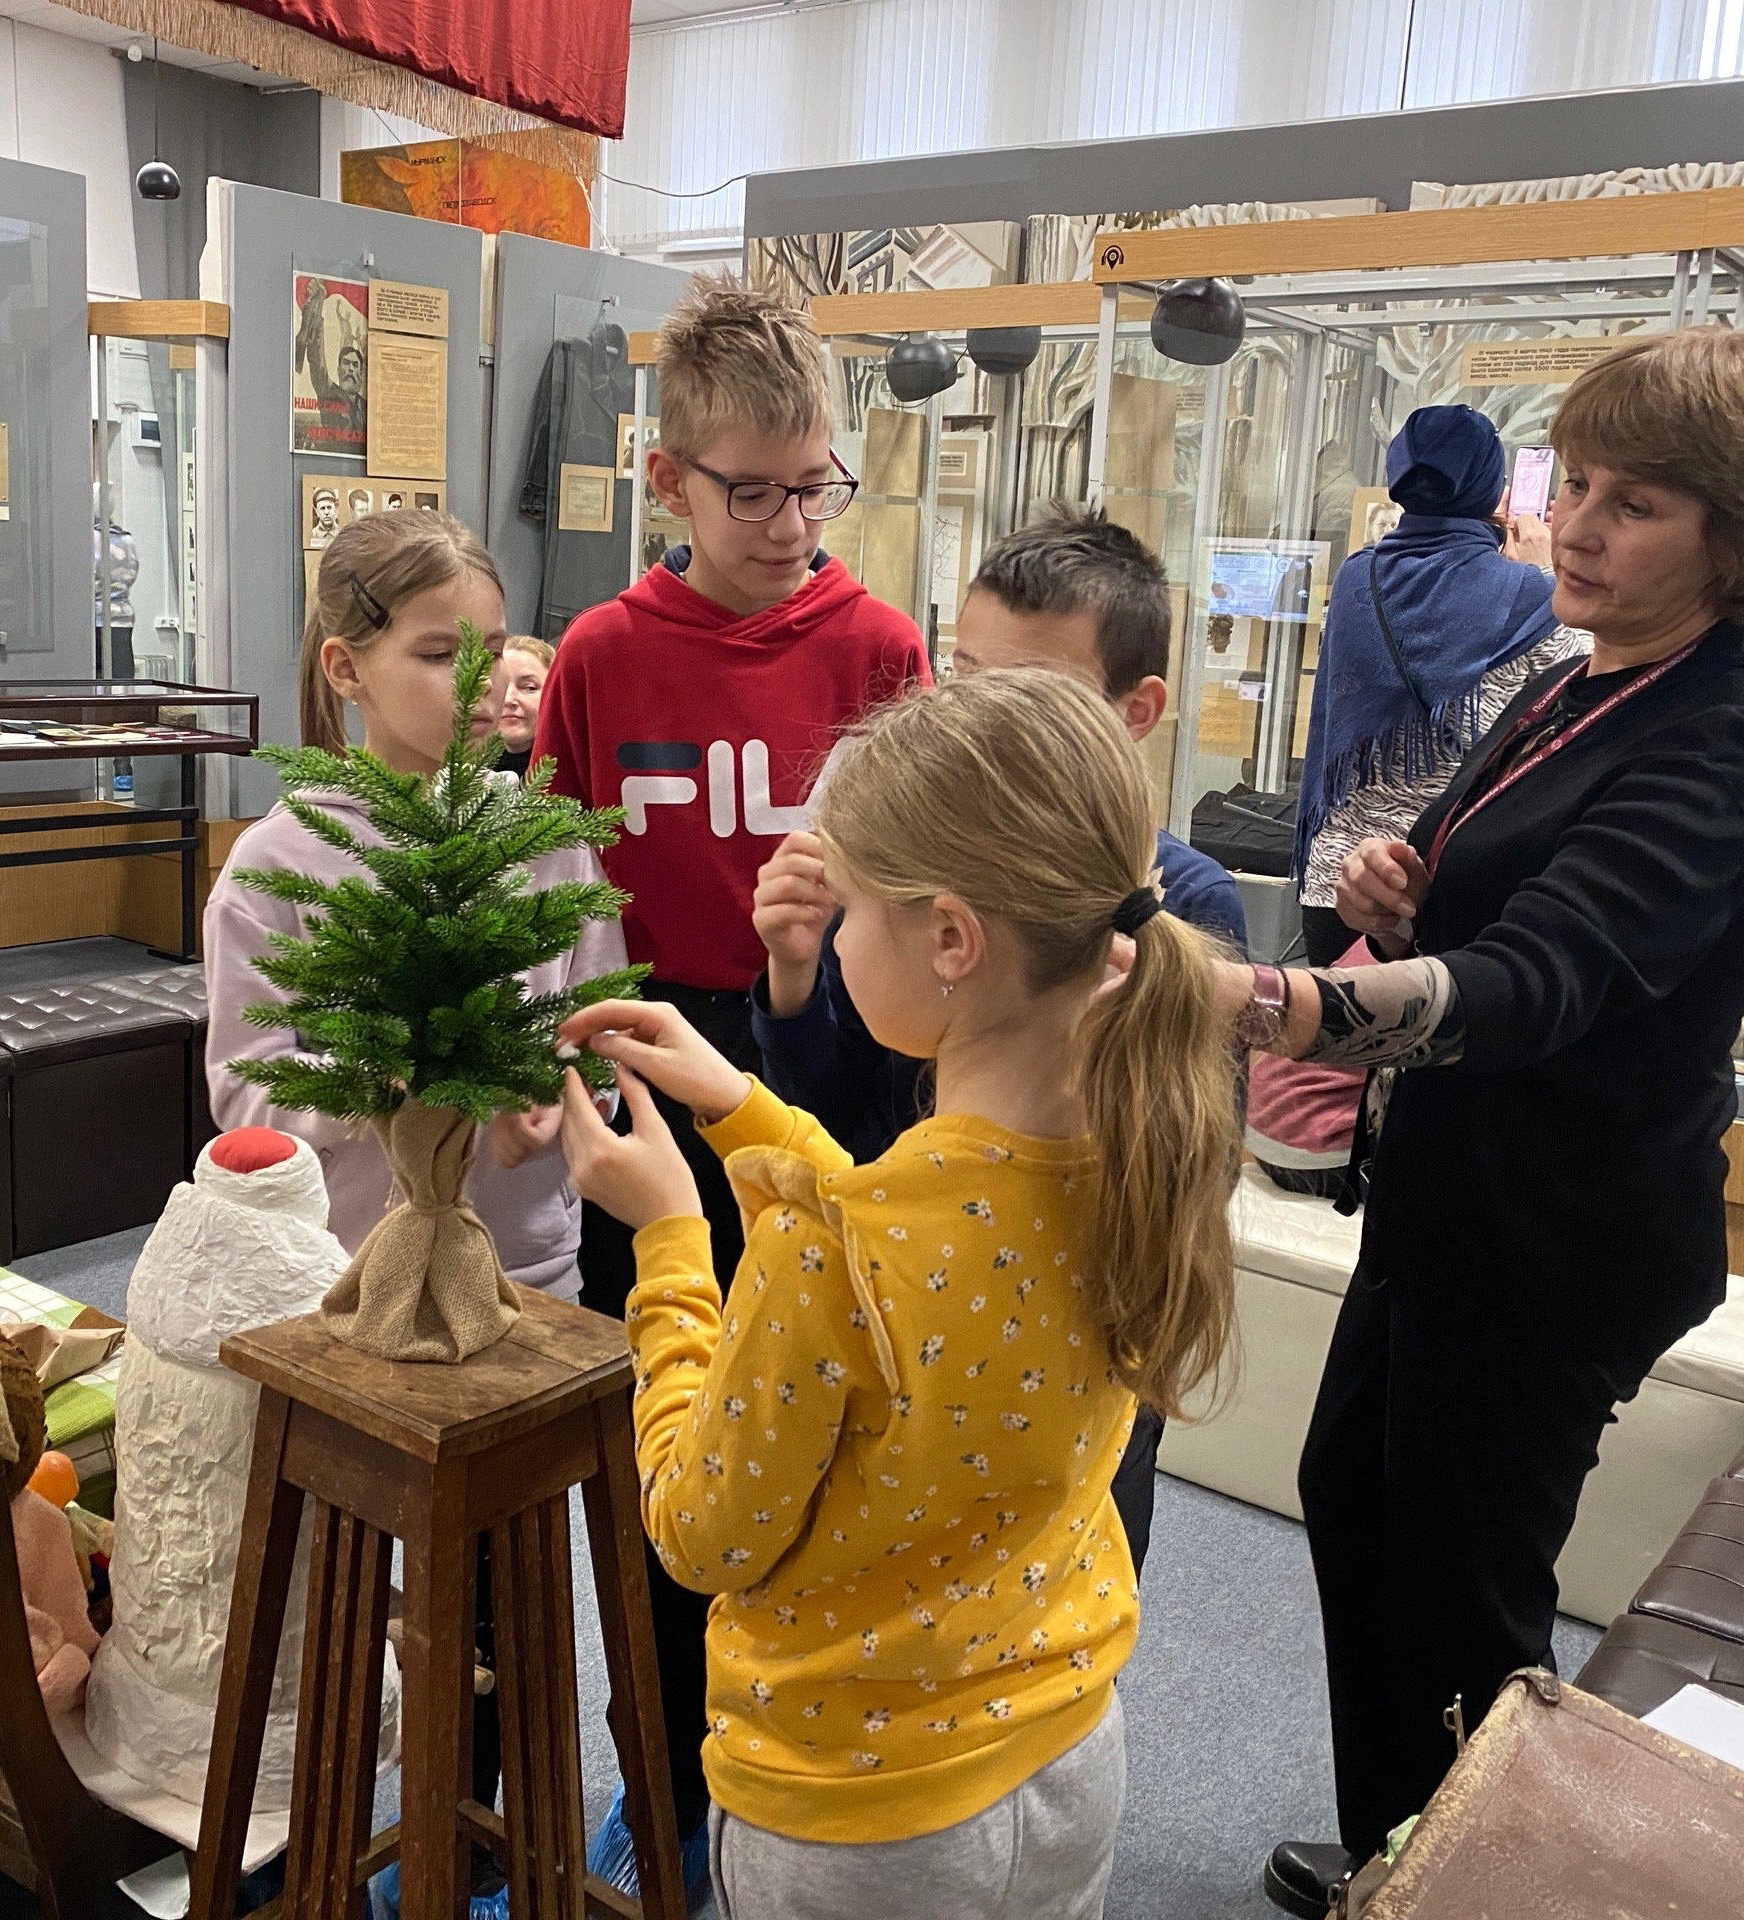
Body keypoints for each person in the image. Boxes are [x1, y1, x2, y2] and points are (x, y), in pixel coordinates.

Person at [1241, 327, 1744, 1918]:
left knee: (1459, 1594)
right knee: (1356, 1515)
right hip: (1448, 1211)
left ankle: (1478, 1882)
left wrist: (1265, 1007)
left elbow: (1541, 979)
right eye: (1571, 483)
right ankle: (1404, 1857)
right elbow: (1445, 889)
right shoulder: (1576, 681)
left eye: (1632, 502)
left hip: (1556, 1250)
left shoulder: (1725, 744)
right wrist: (1377, 892)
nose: (1575, 526)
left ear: (1740, 532)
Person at [557, 667, 1239, 1920]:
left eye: (850, 902)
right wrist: (739, 1106)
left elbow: (704, 1532)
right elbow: (899, 1230)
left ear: (949, 941)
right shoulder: (1140, 1156)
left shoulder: (835, 1253)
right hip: (1066, 1752)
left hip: (856, 1822)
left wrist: (668, 1249)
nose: (830, 928)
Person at [529, 274, 931, 1896]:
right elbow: (551, 887)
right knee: (672, 1436)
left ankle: (807, 1770)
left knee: (835, 1432)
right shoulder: (604, 656)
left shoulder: (882, 645)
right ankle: (675, 1782)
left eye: (812, 485)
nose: (787, 522)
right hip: (651, 1051)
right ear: (671, 484)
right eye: (749, 492)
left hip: (835, 1048)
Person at [202, 511, 628, 1920]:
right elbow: (243, 1086)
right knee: (356, 1589)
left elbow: (593, 1017)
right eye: (439, 654)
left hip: (524, 1273)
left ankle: (494, 1841)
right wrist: (382, 1086)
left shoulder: (542, 836)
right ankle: (343, 1847)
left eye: (493, 656)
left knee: (511, 1601)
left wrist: (554, 1094)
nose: (478, 685)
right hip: (358, 1283)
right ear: (347, 665)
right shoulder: (282, 855)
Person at [747, 507, 1247, 1572]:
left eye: (1031, 692)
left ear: (1135, 710)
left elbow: (1174, 1147)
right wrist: (797, 970)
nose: (978, 719)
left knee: (1064, 1576)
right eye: (961, 676)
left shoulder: (1176, 911)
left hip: (1061, 1353)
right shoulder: (911, 867)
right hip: (903, 1332)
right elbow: (845, 1098)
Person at [1295, 404, 1582, 969]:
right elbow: (1585, 686)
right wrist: (1543, 574)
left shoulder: (1359, 577)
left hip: (1340, 887)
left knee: (1340, 1056)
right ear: (1489, 484)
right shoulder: (1531, 599)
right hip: (1450, 891)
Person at [492, 637, 553, 777]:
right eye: (501, 685)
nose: (508, 699)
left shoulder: (572, 777)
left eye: (529, 687)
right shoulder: (466, 773)